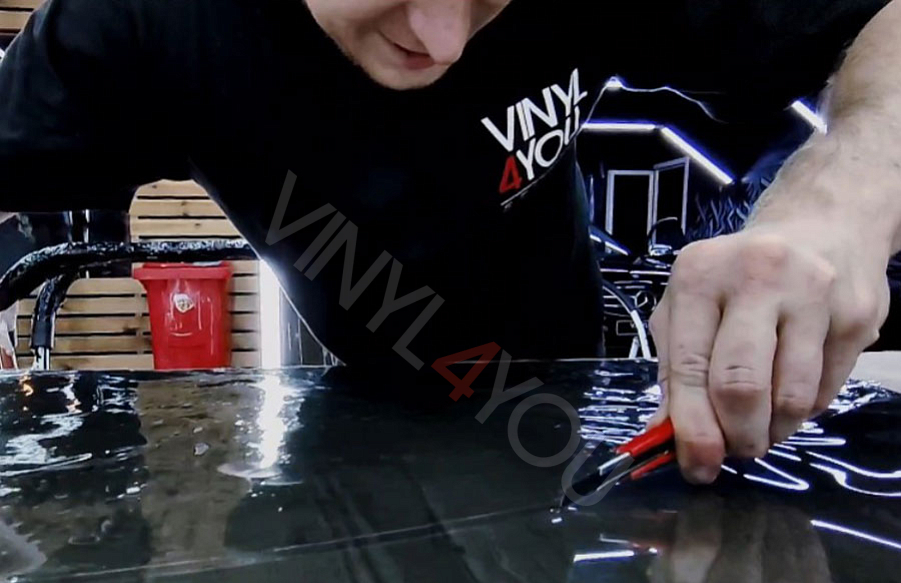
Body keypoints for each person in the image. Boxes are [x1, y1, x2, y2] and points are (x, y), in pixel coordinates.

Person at [1, 0, 899, 484]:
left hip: (564, 407)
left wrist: (836, 197)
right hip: (347, 435)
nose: (440, 39)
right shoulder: (139, 20)